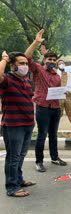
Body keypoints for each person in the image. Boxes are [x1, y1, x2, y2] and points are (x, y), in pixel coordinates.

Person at [25, 29, 67, 172]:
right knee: (41, 135)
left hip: (55, 108)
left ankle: (54, 157)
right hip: (42, 108)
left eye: (54, 60)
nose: (52, 62)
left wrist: (63, 92)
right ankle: (39, 161)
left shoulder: (57, 76)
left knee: (53, 134)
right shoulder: (38, 70)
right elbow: (27, 57)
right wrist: (36, 42)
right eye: (49, 60)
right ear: (44, 61)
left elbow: (56, 91)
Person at [0, 51, 36, 197]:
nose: (25, 66)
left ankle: (18, 180)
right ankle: (12, 187)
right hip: (14, 126)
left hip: (28, 124)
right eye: (21, 63)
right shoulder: (6, 80)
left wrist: (35, 43)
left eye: (26, 63)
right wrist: (4, 59)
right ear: (12, 66)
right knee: (13, 157)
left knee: (21, 155)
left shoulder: (26, 80)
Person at [57, 60, 71, 131]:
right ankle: (54, 129)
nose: (61, 64)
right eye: (59, 64)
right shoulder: (55, 72)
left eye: (62, 63)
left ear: (65, 64)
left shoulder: (70, 72)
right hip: (59, 95)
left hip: (70, 95)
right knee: (57, 113)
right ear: (57, 65)